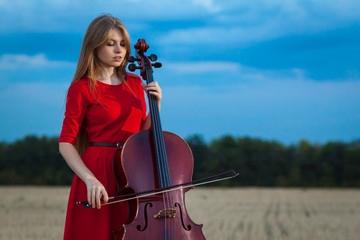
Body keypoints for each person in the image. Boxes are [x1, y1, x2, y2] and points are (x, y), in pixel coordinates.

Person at [59, 14, 162, 240]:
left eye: (123, 44)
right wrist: (89, 179)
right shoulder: (82, 88)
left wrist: (157, 106)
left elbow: (142, 137)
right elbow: (66, 143)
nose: (119, 50)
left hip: (131, 173)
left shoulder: (135, 83)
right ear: (94, 47)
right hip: (98, 171)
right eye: (110, 43)